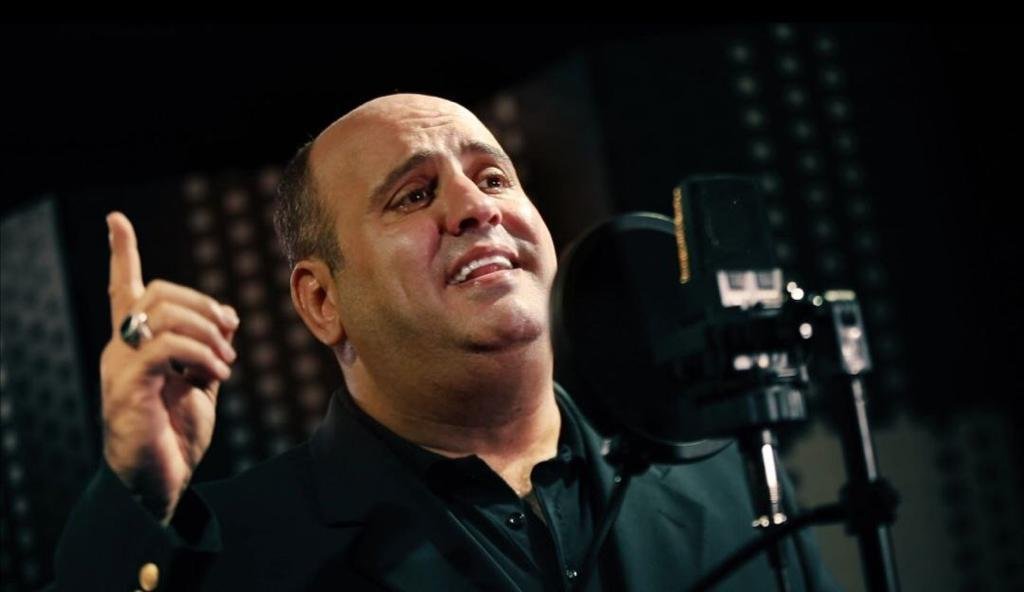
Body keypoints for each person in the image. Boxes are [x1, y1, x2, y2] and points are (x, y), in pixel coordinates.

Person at [52, 94, 837, 591]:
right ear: (322, 301)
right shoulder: (237, 551)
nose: (475, 207)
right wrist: (135, 498)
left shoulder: (732, 483)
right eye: (415, 194)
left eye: (494, 179)